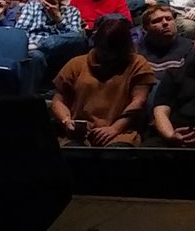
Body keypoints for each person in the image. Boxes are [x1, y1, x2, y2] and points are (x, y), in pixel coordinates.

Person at [49, 15, 156, 145]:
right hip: (80, 133)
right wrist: (66, 121)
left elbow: (138, 101)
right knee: (74, 153)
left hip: (120, 132)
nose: (106, 54)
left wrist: (115, 129)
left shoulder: (137, 64)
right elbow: (59, 100)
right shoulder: (76, 64)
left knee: (115, 154)